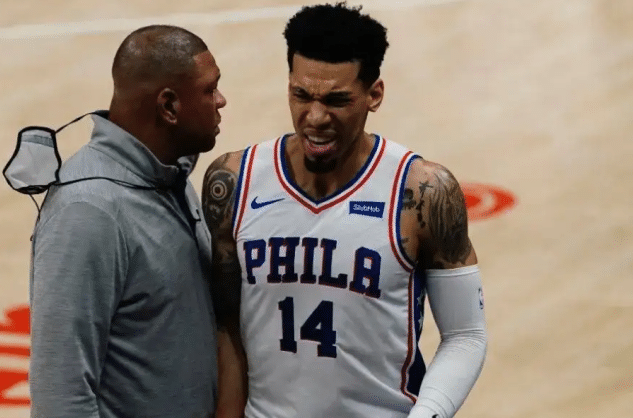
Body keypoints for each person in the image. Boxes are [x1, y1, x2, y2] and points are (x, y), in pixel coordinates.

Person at [202, 3, 487, 418]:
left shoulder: (422, 191)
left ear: (374, 95)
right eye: (301, 95)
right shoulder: (235, 182)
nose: (315, 118)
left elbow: (465, 335)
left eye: (336, 100)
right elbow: (226, 328)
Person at [28, 25, 226, 418]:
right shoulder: (88, 211)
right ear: (169, 106)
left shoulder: (167, 175)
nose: (221, 100)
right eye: (210, 89)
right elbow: (59, 395)